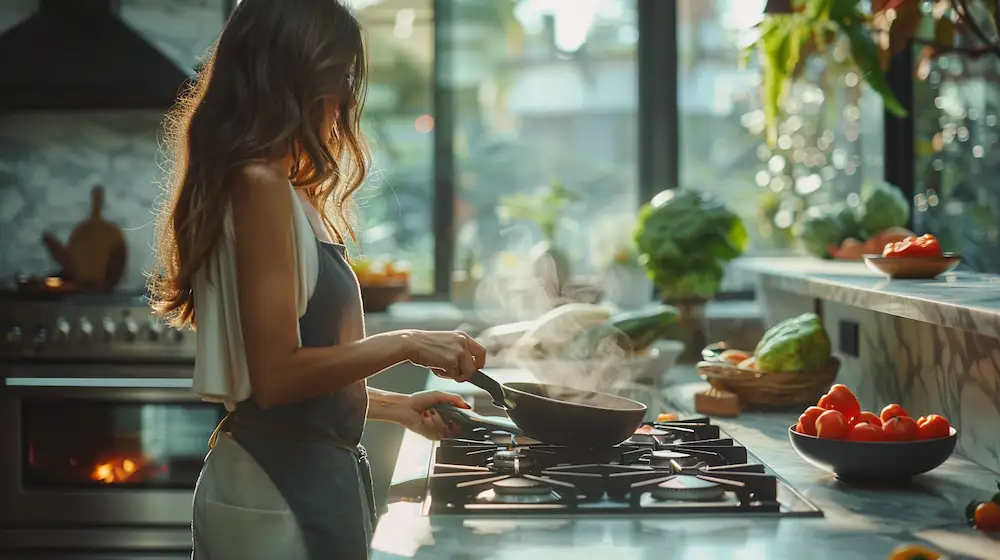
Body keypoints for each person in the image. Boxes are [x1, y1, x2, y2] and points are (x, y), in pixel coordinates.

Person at [147, 1, 486, 558]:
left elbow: (289, 381)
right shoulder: (257, 185)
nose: (347, 101)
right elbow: (278, 378)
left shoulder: (285, 188)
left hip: (305, 477)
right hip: (273, 488)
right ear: (301, 80)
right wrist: (405, 343)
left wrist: (393, 407)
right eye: (341, 79)